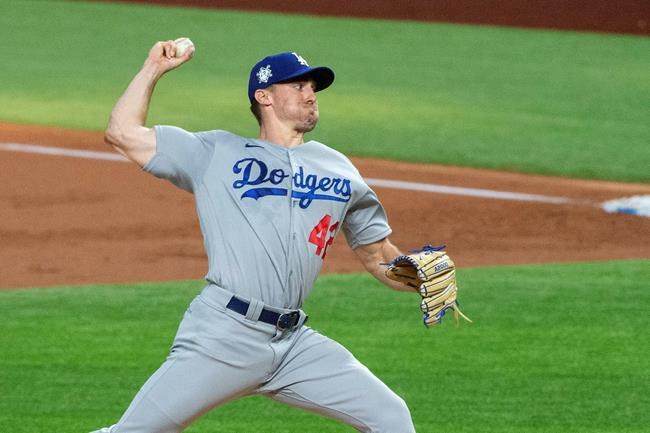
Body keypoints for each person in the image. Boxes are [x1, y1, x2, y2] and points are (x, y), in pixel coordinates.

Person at [91, 39, 417, 433]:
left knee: (391, 417)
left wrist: (417, 277)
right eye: (298, 86)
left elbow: (377, 254)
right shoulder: (216, 152)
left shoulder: (338, 168)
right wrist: (153, 69)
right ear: (264, 95)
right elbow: (121, 132)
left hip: (294, 343)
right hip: (224, 335)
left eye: (313, 87)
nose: (310, 94)